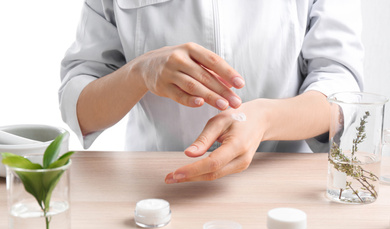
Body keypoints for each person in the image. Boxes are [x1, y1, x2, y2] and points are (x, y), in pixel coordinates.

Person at [59, 0, 364, 184]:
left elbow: (341, 85)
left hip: (280, 185)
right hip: (157, 188)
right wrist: (140, 72)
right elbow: (80, 106)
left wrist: (265, 120)